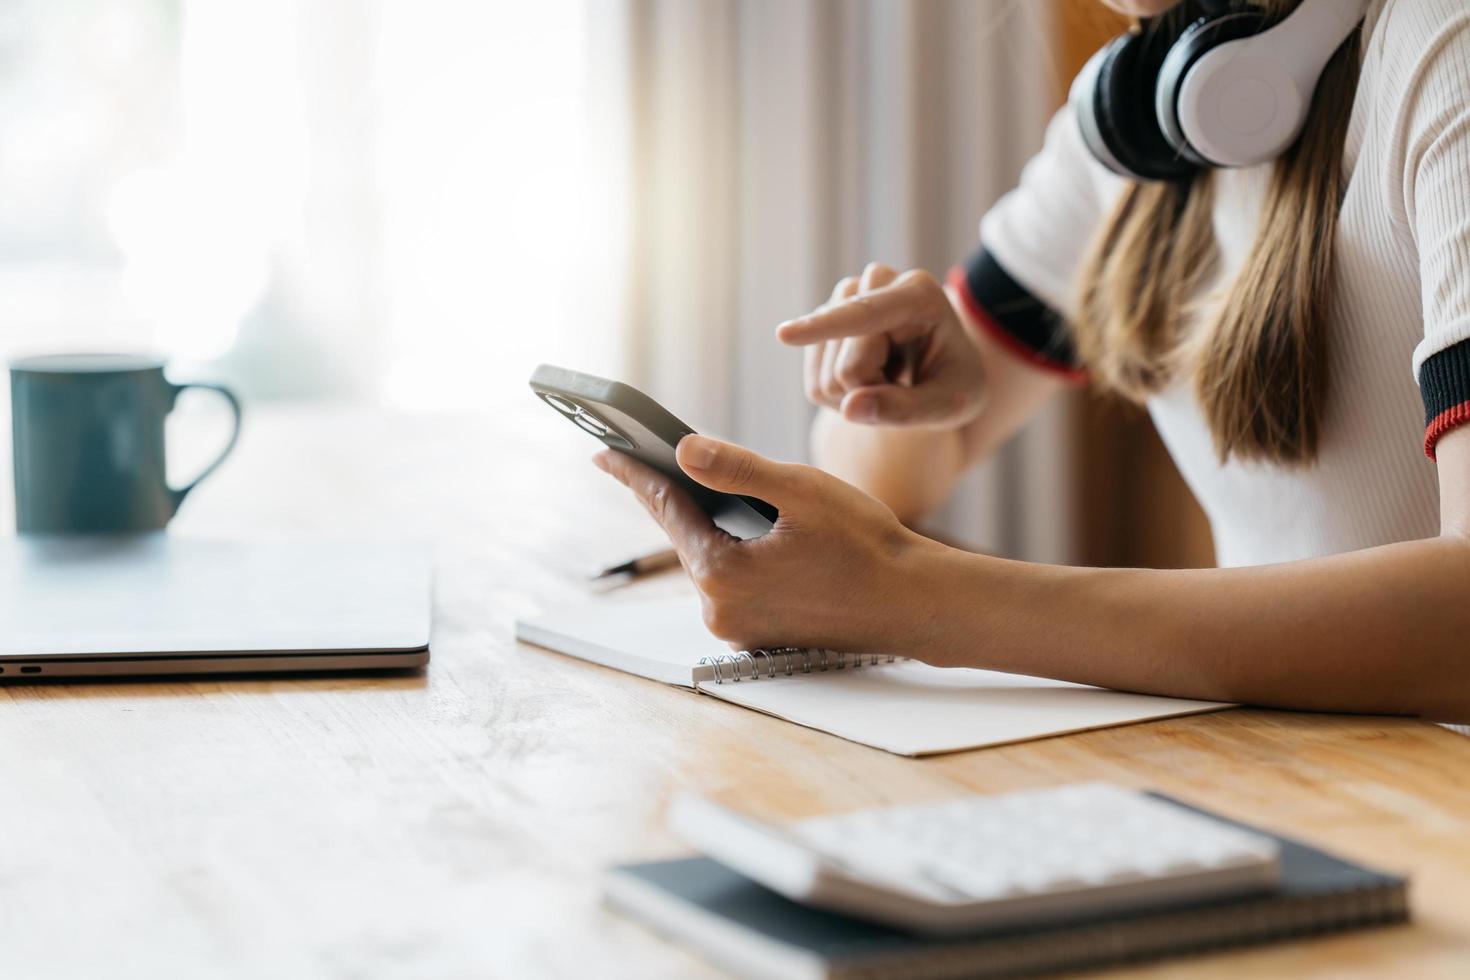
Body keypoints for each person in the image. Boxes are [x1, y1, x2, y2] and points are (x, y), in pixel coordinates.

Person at [593, 0, 1470, 723]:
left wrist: (926, 602)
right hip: (1301, 761)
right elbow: (884, 481)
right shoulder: (1138, 113)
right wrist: (905, 403)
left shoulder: (1444, 46)